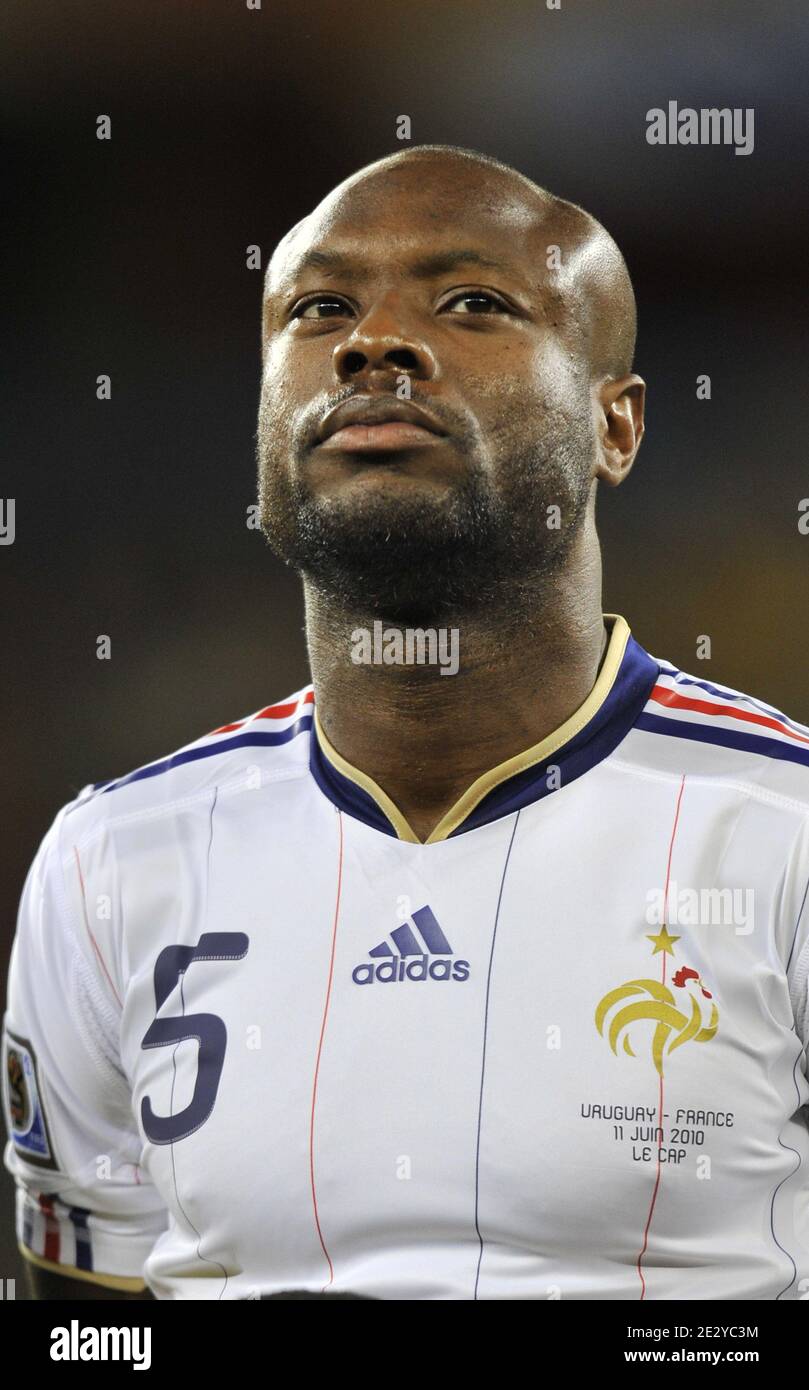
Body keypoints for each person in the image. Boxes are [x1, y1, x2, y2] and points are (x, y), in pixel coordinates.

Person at [4, 145, 808, 1301]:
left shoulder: (776, 828)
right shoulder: (111, 862)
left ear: (614, 427)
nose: (370, 342)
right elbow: (85, 1316)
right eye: (320, 307)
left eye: (471, 302)